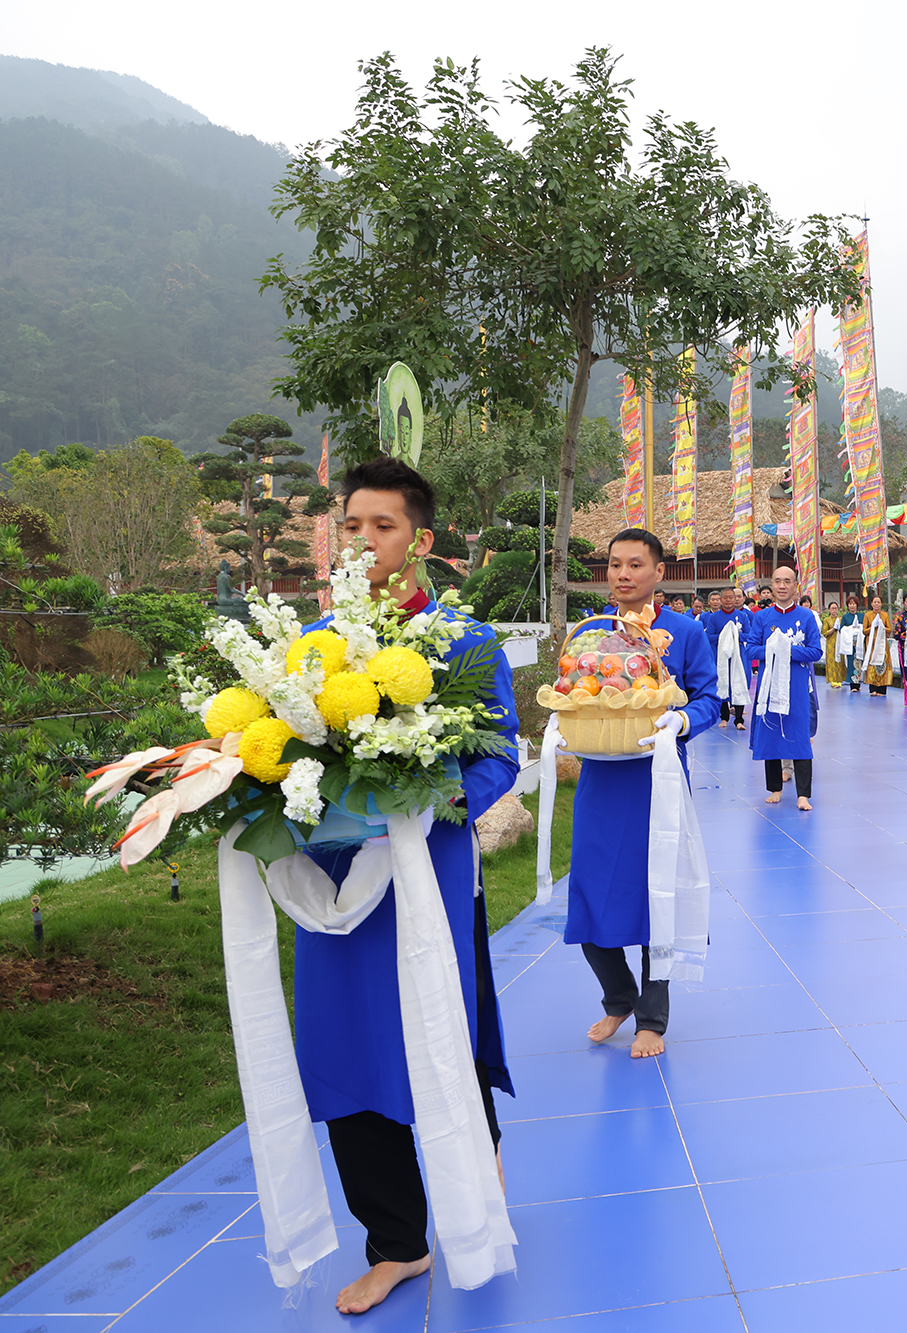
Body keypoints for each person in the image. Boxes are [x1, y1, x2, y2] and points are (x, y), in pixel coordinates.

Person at [298, 458, 517, 1314]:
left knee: (441, 1025)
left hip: (427, 876)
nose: (363, 540)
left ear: (419, 539)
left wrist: (434, 796)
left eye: (381, 525)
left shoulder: (464, 641)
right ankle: (396, 1242)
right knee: (346, 1045)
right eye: (351, 525)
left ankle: (477, 1172)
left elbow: (498, 754)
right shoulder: (313, 646)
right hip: (335, 887)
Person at [566, 529, 719, 1059]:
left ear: (659, 572)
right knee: (589, 889)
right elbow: (572, 690)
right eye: (615, 564)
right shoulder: (590, 635)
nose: (623, 574)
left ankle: (652, 1019)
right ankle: (619, 997)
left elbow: (709, 699)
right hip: (601, 780)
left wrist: (681, 720)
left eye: (635, 564)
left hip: (657, 781)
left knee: (658, 895)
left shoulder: (685, 632)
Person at [746, 566, 822, 811]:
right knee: (771, 734)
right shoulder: (762, 617)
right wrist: (772, 648)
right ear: (771, 585)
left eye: (787, 581)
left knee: (800, 736)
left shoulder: (806, 617)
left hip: (797, 687)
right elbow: (750, 649)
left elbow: (816, 651)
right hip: (769, 686)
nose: (782, 586)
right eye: (777, 581)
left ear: (795, 586)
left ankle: (803, 795)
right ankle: (775, 789)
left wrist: (788, 650)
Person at [711, 585, 753, 730]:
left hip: (739, 656)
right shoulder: (714, 617)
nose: (728, 600)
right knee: (722, 683)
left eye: (731, 597)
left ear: (735, 599)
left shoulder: (742, 616)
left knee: (738, 683)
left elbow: (749, 635)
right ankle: (724, 717)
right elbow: (709, 636)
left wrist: (735, 635)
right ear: (721, 600)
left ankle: (739, 720)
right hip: (721, 656)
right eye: (725, 598)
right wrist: (725, 636)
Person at [860, 593, 894, 696]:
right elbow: (864, 631)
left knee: (882, 665)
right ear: (871, 604)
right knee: (872, 665)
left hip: (882, 645)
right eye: (875, 602)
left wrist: (881, 626)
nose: (876, 604)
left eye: (878, 602)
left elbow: (889, 630)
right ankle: (873, 689)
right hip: (871, 645)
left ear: (881, 604)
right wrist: (873, 627)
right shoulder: (867, 615)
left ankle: (882, 689)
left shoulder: (885, 615)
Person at [836, 594, 864, 692]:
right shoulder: (845, 617)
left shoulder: (862, 616)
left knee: (859, 663)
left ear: (857, 605)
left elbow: (865, 627)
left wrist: (859, 627)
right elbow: (842, 629)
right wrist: (850, 628)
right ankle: (853, 685)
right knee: (851, 663)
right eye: (850, 604)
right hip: (850, 644)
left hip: (859, 644)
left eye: (854, 604)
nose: (852, 606)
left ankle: (858, 683)